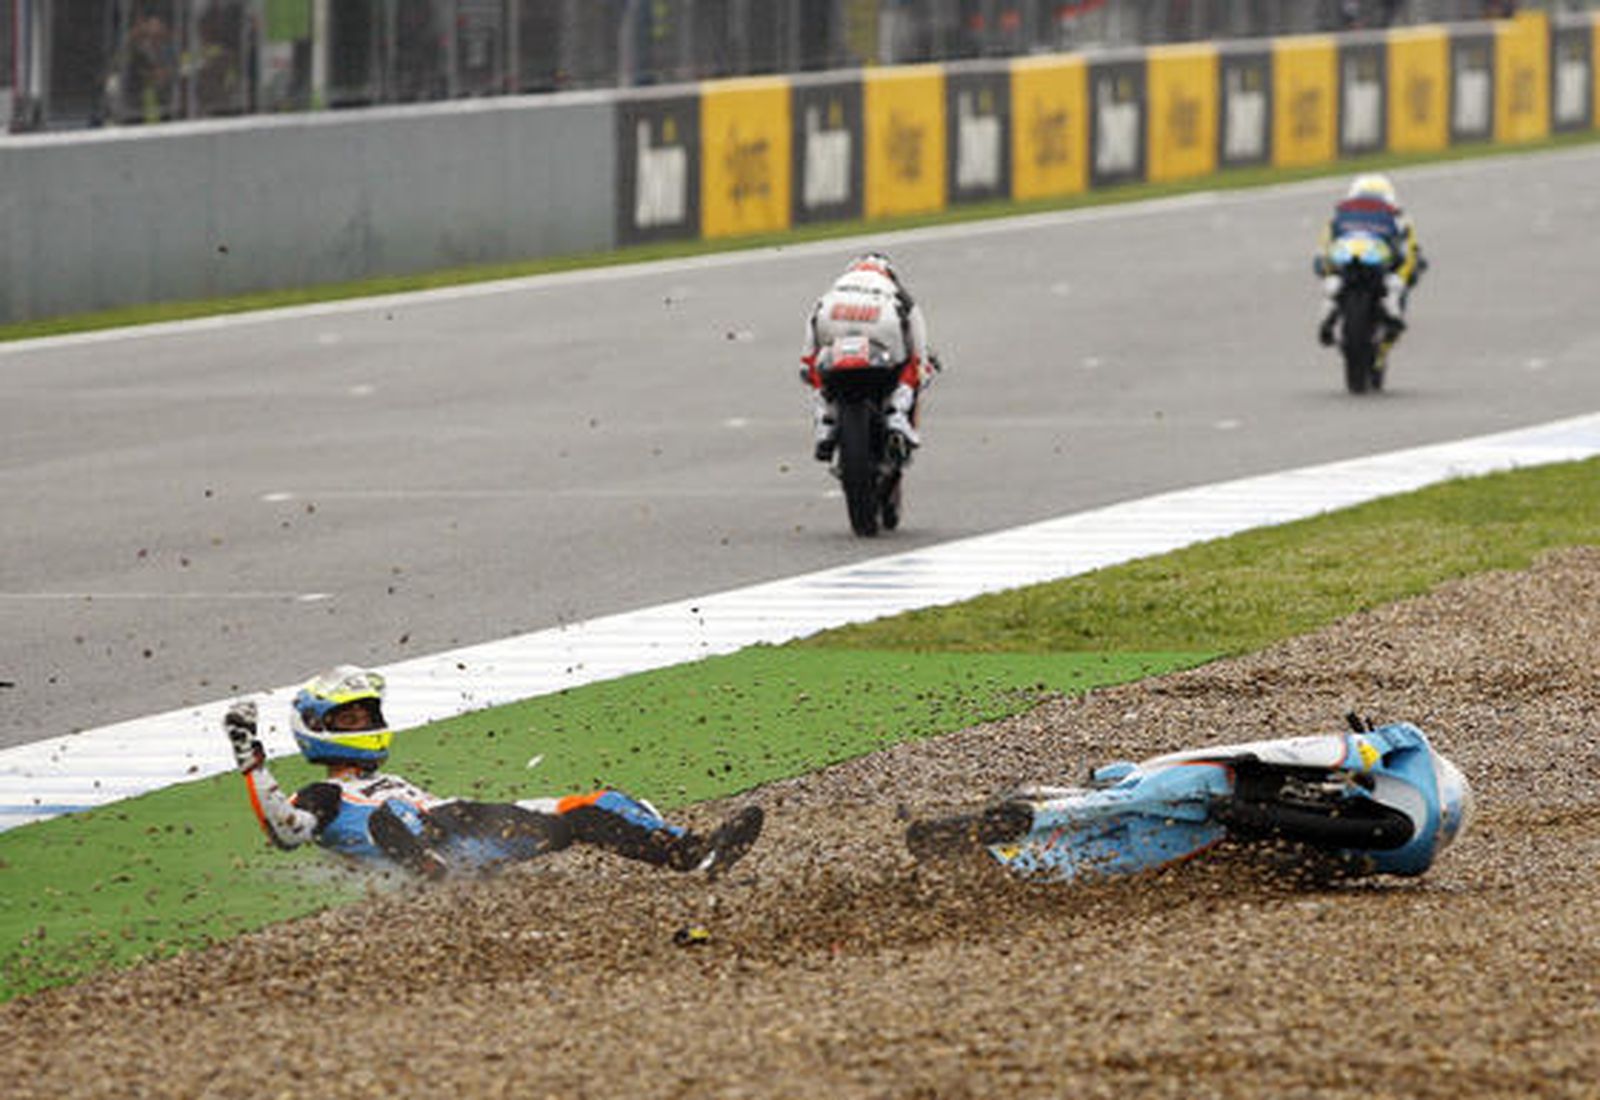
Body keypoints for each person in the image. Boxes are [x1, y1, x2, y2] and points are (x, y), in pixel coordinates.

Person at [224, 665, 763, 881]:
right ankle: (433, 869)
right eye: (349, 718)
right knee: (397, 814)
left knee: (595, 805)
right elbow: (285, 833)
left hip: (473, 827)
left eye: (366, 714)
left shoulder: (390, 781)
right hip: (423, 845)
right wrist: (252, 762)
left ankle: (694, 855)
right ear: (318, 728)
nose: (362, 723)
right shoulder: (323, 792)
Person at [799, 252, 938, 463]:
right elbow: (915, 323)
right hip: (880, 320)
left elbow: (814, 319)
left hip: (834, 316)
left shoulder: (837, 286)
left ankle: (825, 420)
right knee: (909, 365)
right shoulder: (892, 287)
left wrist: (807, 361)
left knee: (817, 369)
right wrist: (922, 362)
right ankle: (896, 413)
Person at [1313, 173, 1427, 347]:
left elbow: (1324, 246)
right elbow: (1409, 249)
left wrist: (1323, 265)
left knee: (1332, 281)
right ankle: (1392, 308)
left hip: (1346, 257)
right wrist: (1414, 266)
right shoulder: (1397, 216)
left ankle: (1329, 311)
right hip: (1376, 261)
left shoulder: (1340, 213)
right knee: (1397, 280)